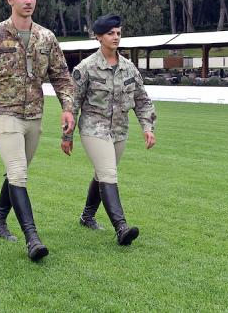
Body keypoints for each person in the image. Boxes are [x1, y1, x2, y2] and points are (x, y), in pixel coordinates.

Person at [0, 0, 75, 262]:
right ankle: (32, 239)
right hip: (4, 112)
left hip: (34, 115)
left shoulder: (47, 38)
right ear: (10, 0)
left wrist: (67, 107)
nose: (28, 1)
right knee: (18, 171)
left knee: (16, 172)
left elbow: (61, 76)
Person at [61, 14, 157, 246]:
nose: (116, 37)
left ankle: (87, 216)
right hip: (94, 129)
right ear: (98, 37)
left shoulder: (128, 67)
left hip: (119, 131)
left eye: (118, 33)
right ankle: (121, 227)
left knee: (101, 174)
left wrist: (148, 127)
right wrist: (67, 135)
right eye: (110, 33)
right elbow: (72, 104)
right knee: (108, 174)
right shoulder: (86, 68)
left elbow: (142, 100)